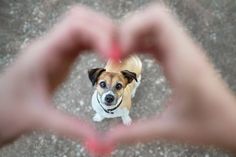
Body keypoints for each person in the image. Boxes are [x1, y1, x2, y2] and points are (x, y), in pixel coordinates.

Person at [0, 3, 235, 155]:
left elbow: (124, 85)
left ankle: (126, 103)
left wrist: (126, 104)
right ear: (95, 82)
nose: (109, 93)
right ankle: (106, 109)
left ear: (125, 84)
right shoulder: (98, 96)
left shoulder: (126, 87)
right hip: (112, 74)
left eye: (117, 87)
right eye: (103, 85)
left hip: (129, 72)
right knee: (102, 107)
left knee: (124, 108)